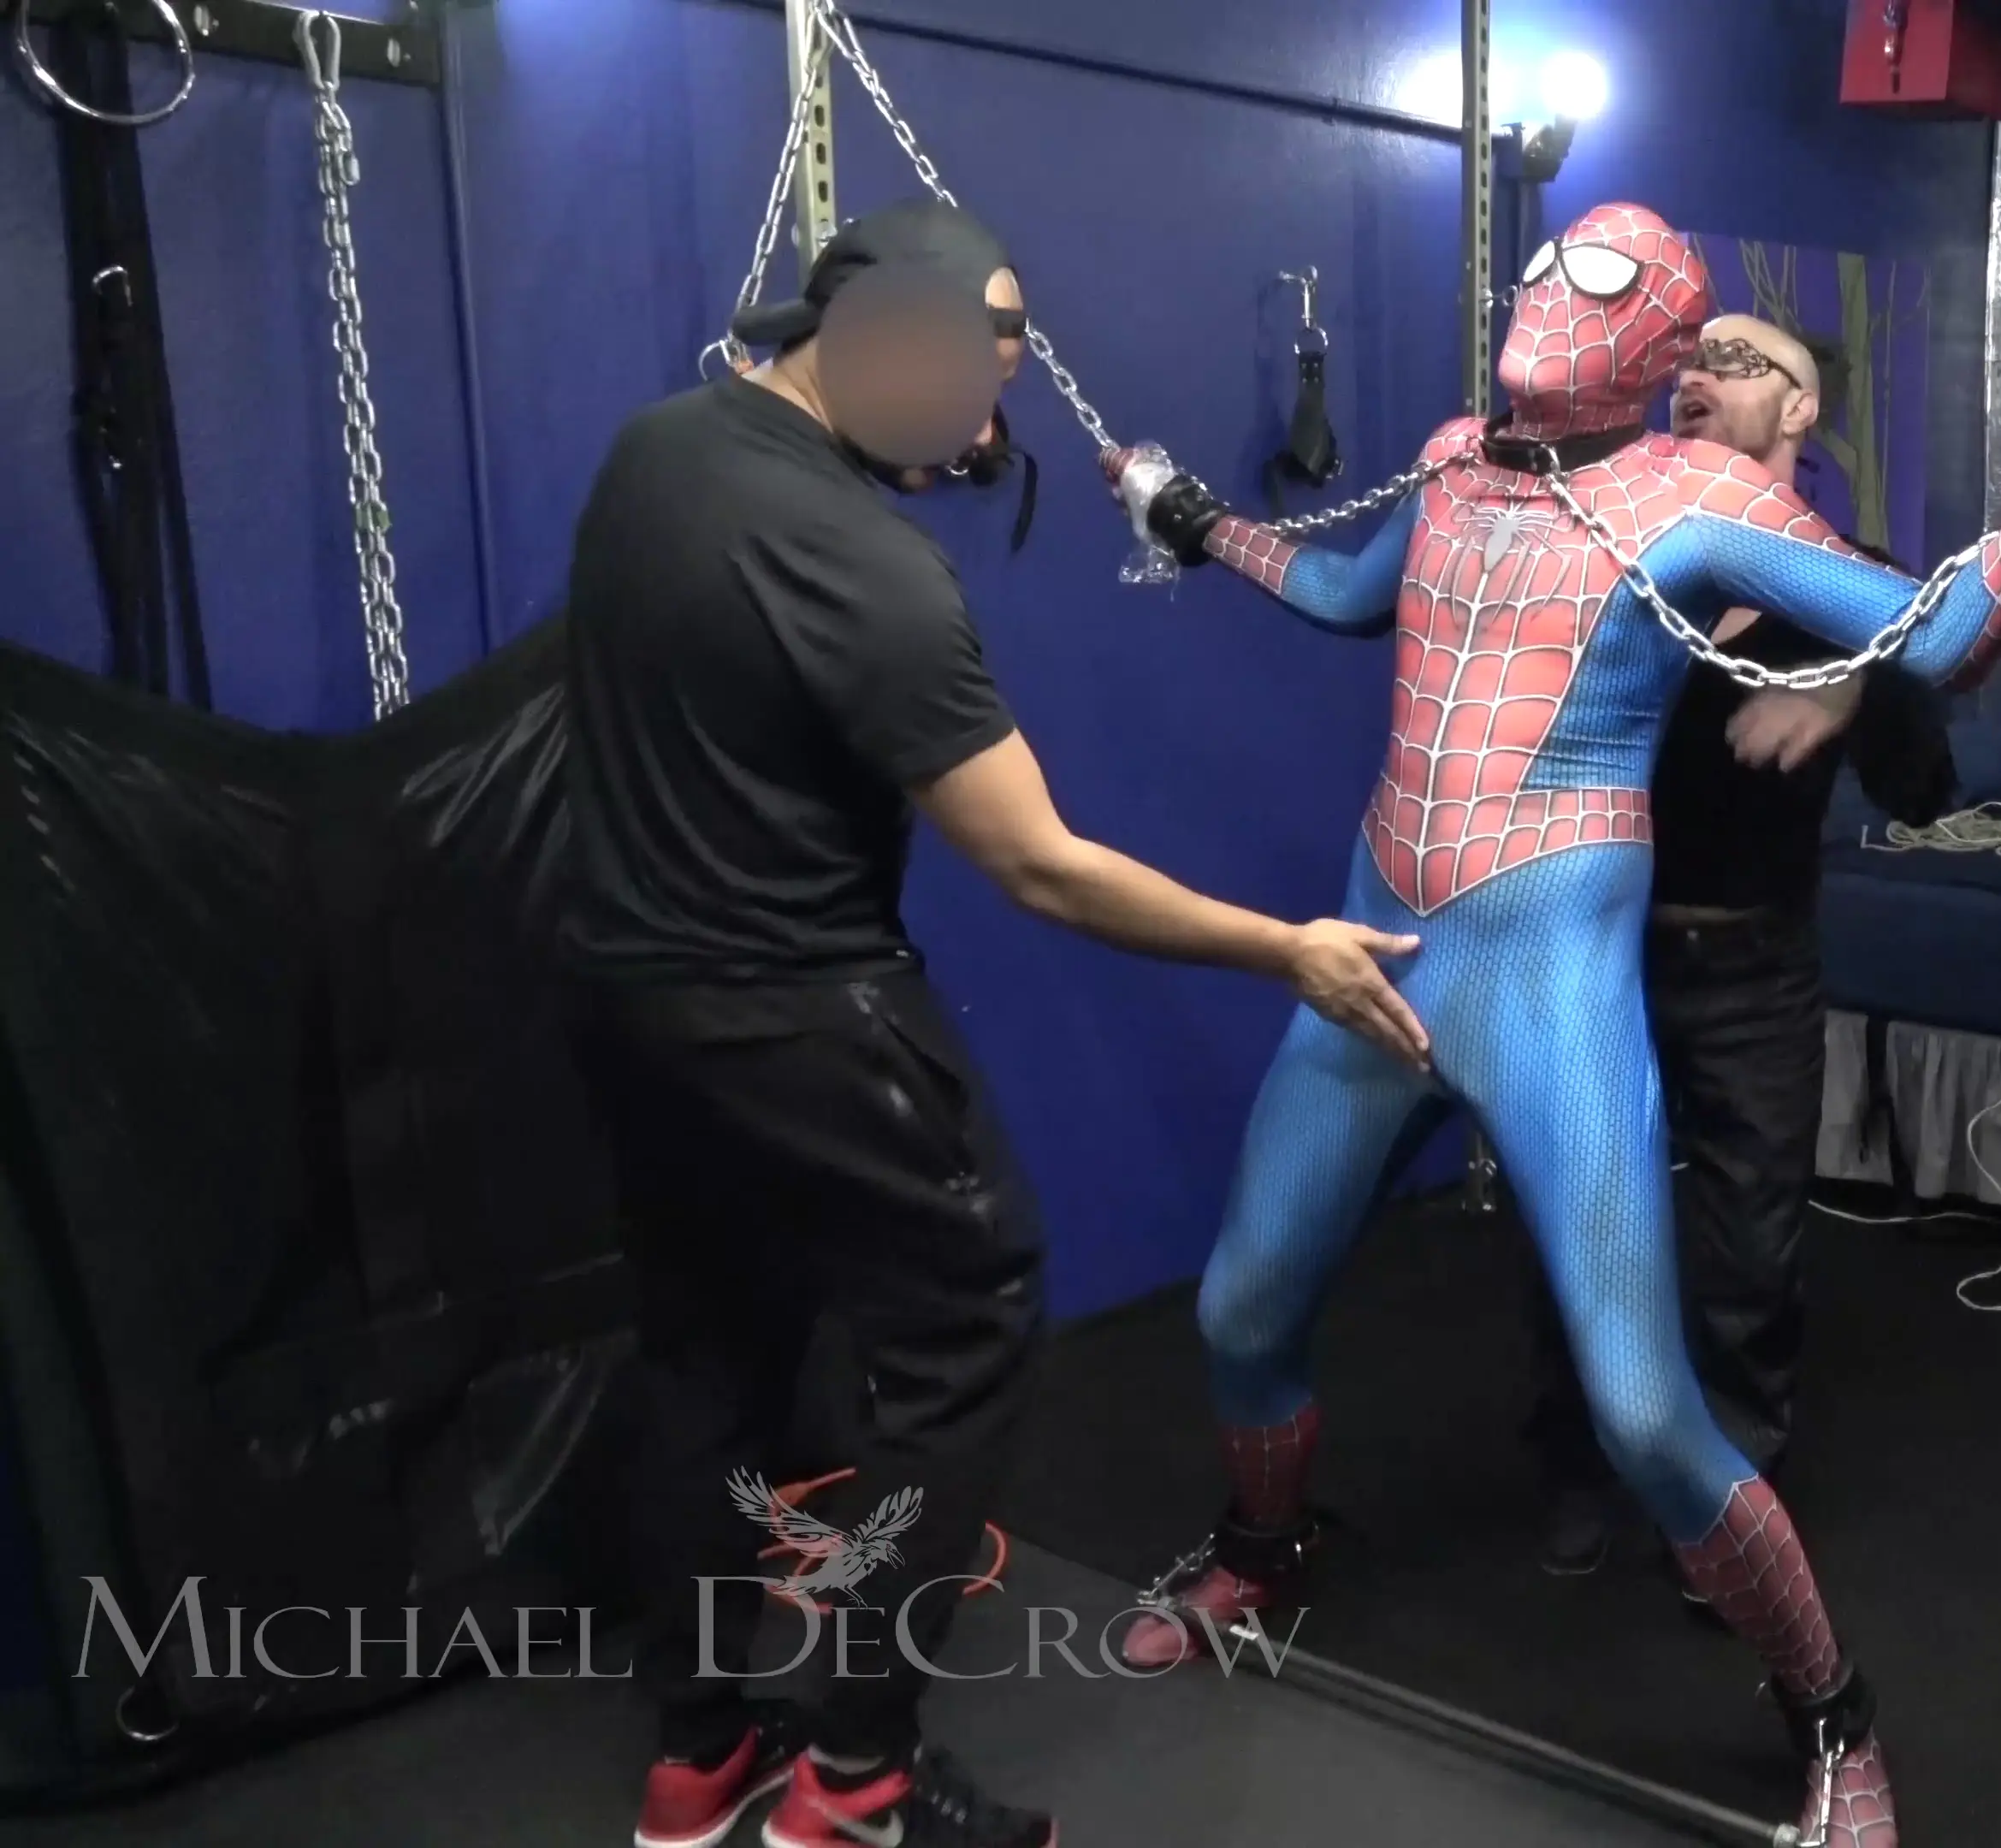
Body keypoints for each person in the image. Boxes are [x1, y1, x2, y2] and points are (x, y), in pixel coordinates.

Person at [1107, 201, 2001, 1847]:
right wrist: (1195, 520)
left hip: (1552, 975)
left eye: (1604, 279)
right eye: (1553, 262)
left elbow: (1950, 631)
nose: (1557, 290)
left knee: (1644, 1405)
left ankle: (1834, 1716)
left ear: (1666, 339)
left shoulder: (1702, 503)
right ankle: (1263, 1548)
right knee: (1243, 1304)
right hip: (1377, 948)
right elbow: (1337, 590)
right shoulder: (1455, 461)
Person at [559, 199, 1426, 1848]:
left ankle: (699, 1756)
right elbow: (1040, 866)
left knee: (706, 1351)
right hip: (798, 1009)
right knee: (971, 1322)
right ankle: (856, 1777)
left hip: (629, 1006)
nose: (982, 422)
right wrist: (1289, 951)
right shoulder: (864, 567)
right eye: (975, 364)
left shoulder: (657, 453)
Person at [1524, 313, 1957, 1579]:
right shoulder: (1619, 560)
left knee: (1749, 1251)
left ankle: (1726, 1514)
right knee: (1576, 1223)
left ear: (1801, 411)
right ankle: (1578, 1469)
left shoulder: (1853, 585)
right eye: (1691, 361)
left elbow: (1926, 791)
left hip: (1753, 969)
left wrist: (1852, 679)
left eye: (1739, 362)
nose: (1700, 378)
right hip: (1595, 955)